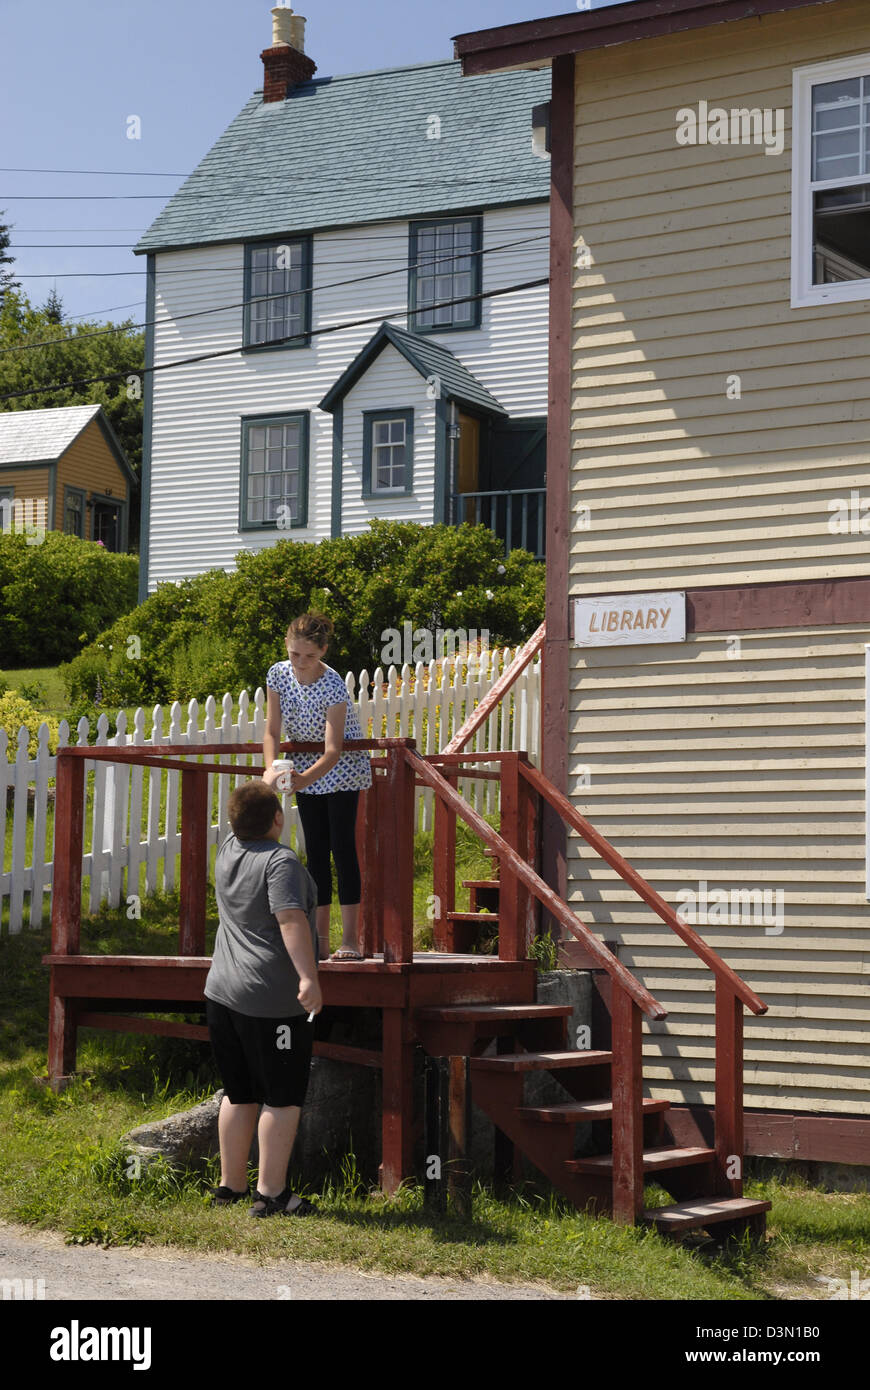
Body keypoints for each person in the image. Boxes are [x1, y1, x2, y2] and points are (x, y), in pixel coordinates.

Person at [204, 778, 322, 1217]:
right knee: (282, 1096)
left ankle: (230, 1187)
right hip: (270, 999)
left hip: (221, 993)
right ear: (278, 818)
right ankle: (271, 1194)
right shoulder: (281, 861)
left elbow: (247, 816)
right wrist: (309, 978)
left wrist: (263, 788)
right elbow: (290, 919)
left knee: (238, 1093)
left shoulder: (228, 850)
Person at [262, 612, 372, 961]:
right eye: (295, 654)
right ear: (286, 647)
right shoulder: (278, 674)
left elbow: (334, 750)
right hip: (305, 766)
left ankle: (351, 940)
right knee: (316, 853)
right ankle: (321, 940)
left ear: (323, 651)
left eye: (309, 656)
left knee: (342, 849)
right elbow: (272, 731)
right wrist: (271, 769)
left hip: (340, 768)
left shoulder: (333, 683)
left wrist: (304, 779)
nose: (300, 663)